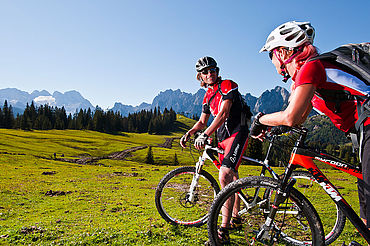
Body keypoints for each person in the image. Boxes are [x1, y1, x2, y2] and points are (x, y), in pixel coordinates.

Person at [254, 21, 370, 245]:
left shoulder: (312, 67)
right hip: (361, 130)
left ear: (283, 52)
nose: (273, 63)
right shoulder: (312, 74)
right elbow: (299, 115)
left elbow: (291, 117)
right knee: (365, 191)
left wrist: (259, 120)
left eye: (272, 56)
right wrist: (273, 126)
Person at [180, 56, 251, 243]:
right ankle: (236, 218)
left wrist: (205, 135)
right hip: (222, 136)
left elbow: (224, 112)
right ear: (200, 77)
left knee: (225, 175)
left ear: (217, 71)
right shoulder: (207, 96)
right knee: (233, 178)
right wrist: (191, 132)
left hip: (237, 132)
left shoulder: (228, 84)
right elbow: (202, 121)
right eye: (205, 72)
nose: (210, 74)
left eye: (212, 70)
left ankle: (223, 231)